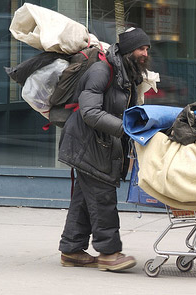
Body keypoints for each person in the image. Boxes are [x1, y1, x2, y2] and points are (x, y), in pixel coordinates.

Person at [57, 27, 151, 271]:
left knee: (84, 198)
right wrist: (125, 129)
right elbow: (89, 111)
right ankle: (109, 253)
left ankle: (71, 250)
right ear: (129, 50)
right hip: (87, 143)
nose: (145, 53)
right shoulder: (102, 70)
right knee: (102, 197)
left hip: (99, 142)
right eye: (141, 48)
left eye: (147, 49)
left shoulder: (127, 72)